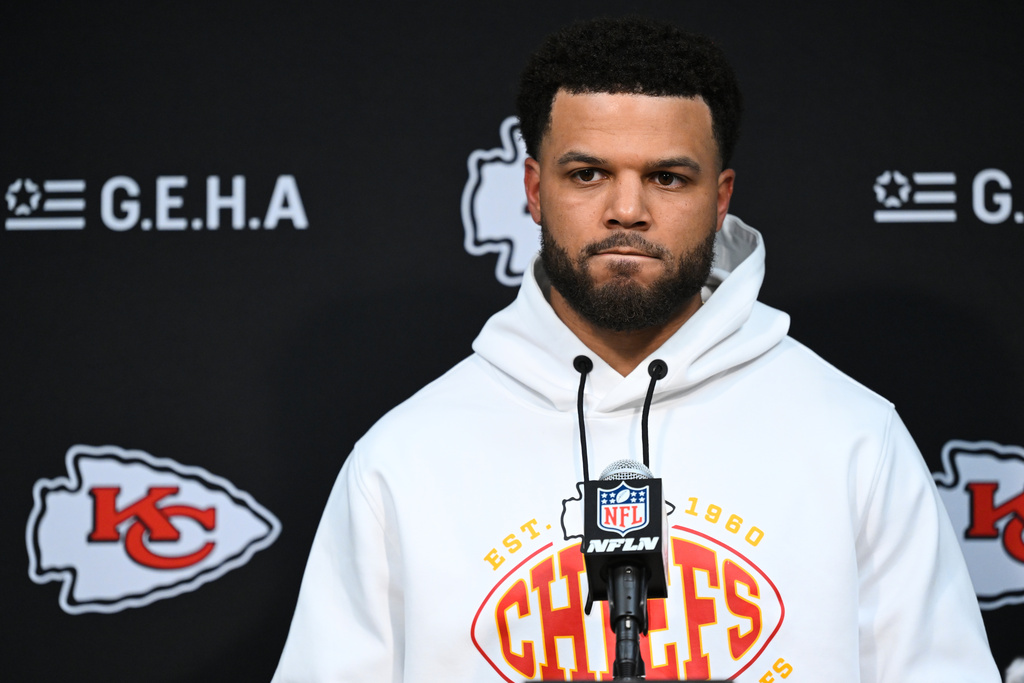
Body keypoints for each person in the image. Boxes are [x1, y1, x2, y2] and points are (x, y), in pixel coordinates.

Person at [272, 16, 999, 683]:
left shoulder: (854, 439)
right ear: (532, 189)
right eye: (588, 173)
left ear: (721, 197)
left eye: (666, 176)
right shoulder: (402, 461)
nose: (627, 208)